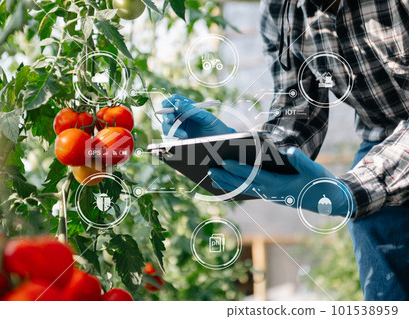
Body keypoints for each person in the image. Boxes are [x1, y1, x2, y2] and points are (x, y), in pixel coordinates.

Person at [161, 0, 409, 301]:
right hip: (379, 145)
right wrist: (244, 151)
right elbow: (299, 107)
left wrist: (353, 189)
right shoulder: (282, 10)